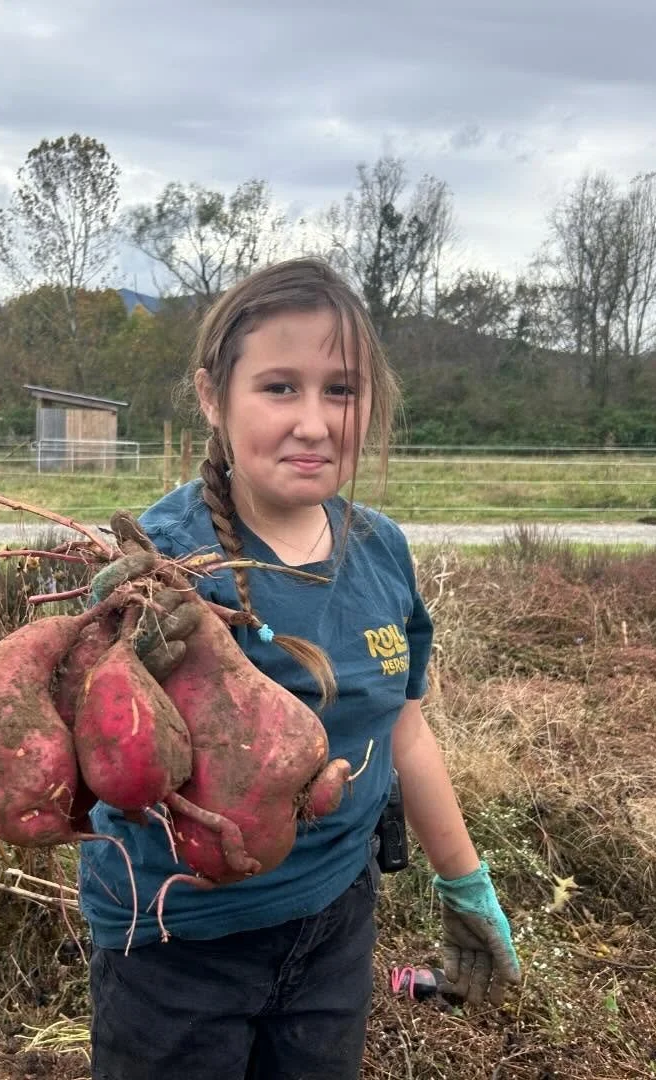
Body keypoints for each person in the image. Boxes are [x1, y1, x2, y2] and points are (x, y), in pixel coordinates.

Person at [77, 257, 521, 1080]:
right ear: (213, 396)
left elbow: (404, 732)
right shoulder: (157, 562)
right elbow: (103, 768)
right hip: (177, 945)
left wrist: (466, 883)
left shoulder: (381, 550)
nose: (314, 422)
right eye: (280, 387)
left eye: (341, 391)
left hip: (334, 924)